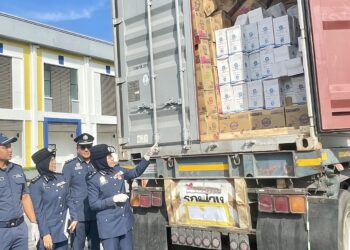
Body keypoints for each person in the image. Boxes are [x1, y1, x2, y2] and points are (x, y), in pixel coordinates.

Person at [87, 143, 159, 250]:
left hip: (124, 222)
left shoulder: (117, 170)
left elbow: (135, 172)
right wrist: (113, 199)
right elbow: (93, 204)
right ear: (101, 160)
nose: (112, 159)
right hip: (109, 227)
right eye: (109, 157)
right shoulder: (94, 180)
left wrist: (147, 155)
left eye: (112, 156)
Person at [30, 147, 78, 250]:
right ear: (43, 163)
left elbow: (69, 198)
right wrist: (45, 234)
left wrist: (75, 217)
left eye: (54, 159)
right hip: (47, 233)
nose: (54, 162)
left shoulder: (61, 178)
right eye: (51, 160)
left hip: (62, 231)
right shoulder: (36, 184)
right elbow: (39, 211)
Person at [0, 133, 40, 250]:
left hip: (20, 229)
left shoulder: (17, 169)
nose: (10, 150)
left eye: (10, 146)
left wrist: (33, 223)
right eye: (5, 147)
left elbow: (25, 197)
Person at [62, 133, 100, 250]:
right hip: (79, 217)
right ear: (77, 148)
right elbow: (65, 192)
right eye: (83, 147)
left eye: (89, 146)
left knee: (95, 247)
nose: (86, 149)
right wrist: (73, 215)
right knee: (77, 247)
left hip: (96, 215)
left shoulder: (98, 163)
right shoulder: (69, 166)